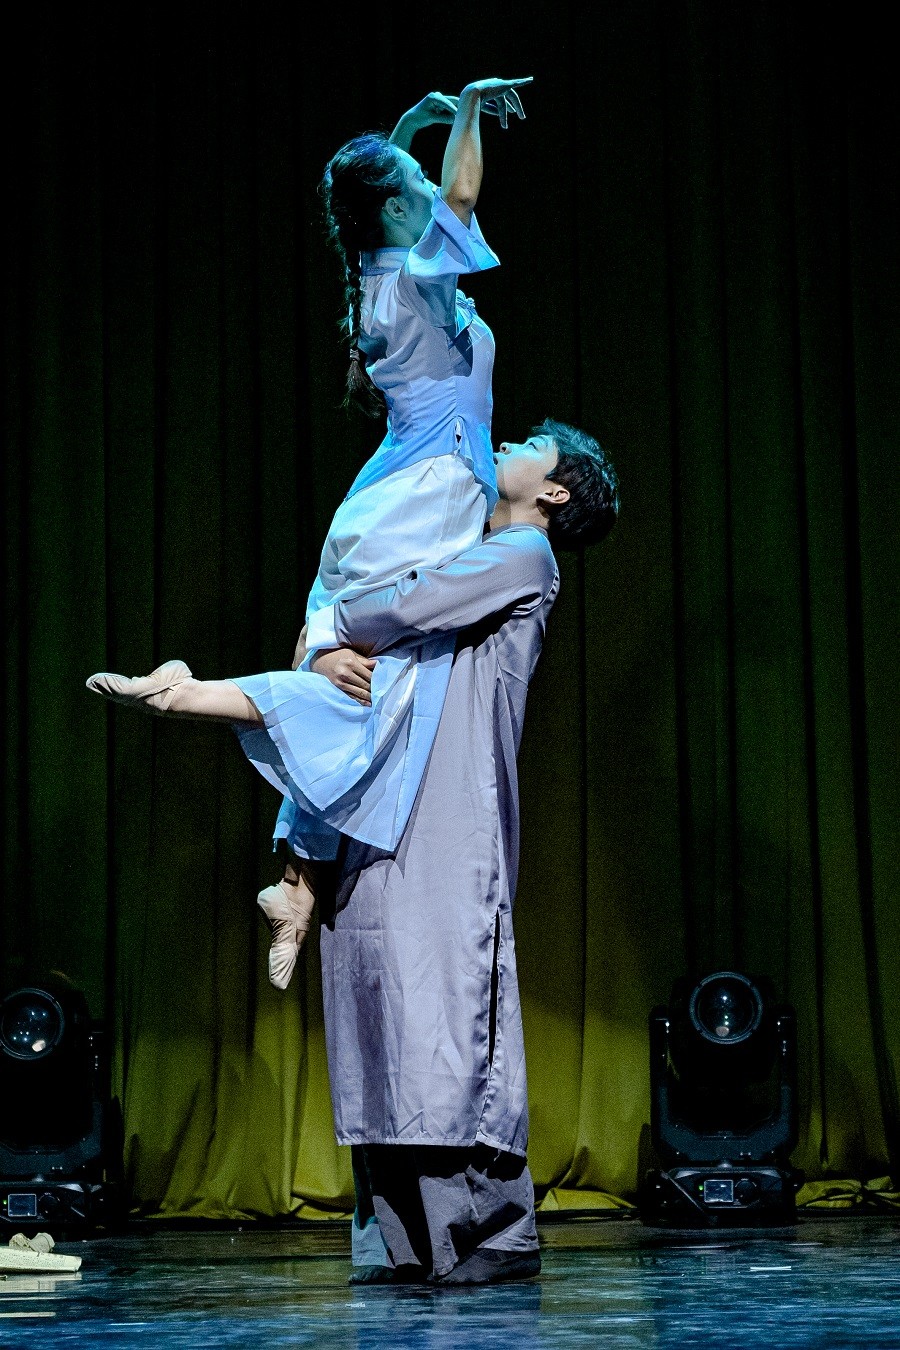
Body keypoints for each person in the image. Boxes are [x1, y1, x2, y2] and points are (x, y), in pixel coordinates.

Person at [86, 76, 532, 991]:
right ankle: (194, 697)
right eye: (413, 181)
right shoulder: (411, 284)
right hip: (421, 502)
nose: (430, 185)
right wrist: (468, 108)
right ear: (395, 210)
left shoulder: (385, 276)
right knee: (376, 691)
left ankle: (296, 880)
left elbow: (403, 187)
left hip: (397, 497)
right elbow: (457, 196)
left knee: (366, 691)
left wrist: (417, 123)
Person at [291, 418, 620, 1284]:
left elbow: (399, 606)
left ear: (555, 491)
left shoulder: (524, 556)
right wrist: (325, 657)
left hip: (450, 811)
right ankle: (401, 1238)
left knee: (441, 1008)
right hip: (388, 801)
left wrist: (332, 621)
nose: (506, 445)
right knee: (378, 1003)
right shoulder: (461, 544)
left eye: (531, 446)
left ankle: (481, 1235)